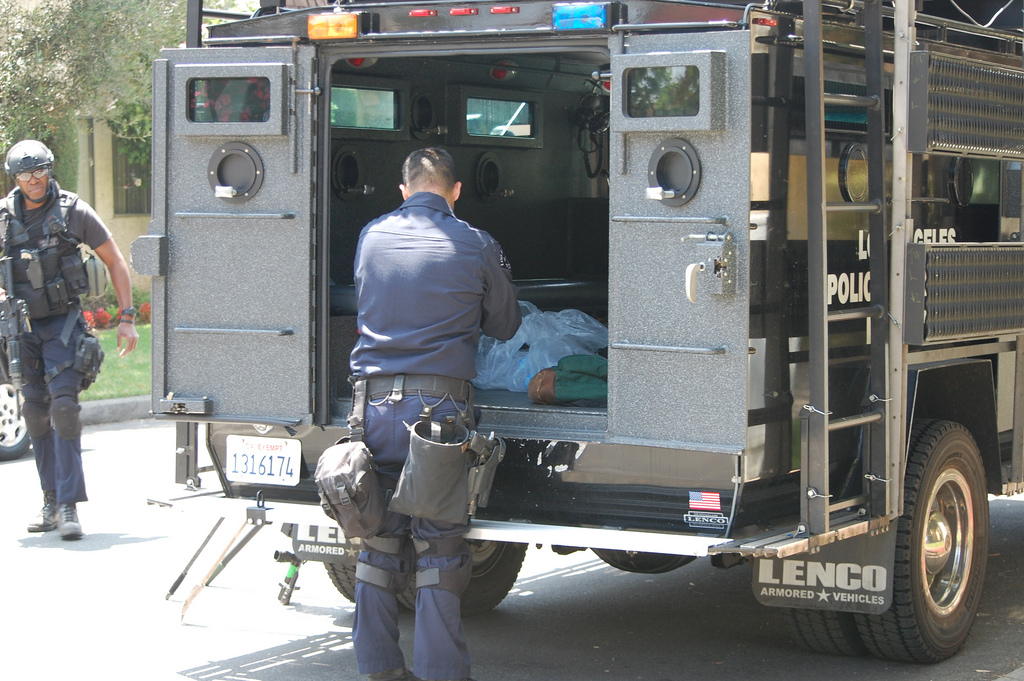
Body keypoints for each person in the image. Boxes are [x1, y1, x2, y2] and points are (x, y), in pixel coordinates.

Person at [348, 147, 521, 681]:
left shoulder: (371, 236)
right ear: (456, 191)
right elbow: (507, 325)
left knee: (378, 545)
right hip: (439, 416)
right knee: (440, 555)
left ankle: (379, 670)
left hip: (372, 410)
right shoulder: (474, 242)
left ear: (404, 190)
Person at [2, 139, 139, 541]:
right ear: (15, 178)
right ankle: (49, 500)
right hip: (22, 330)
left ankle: (68, 504)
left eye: (40, 170)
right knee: (34, 411)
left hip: (63, 323)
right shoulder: (4, 218)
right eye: (25, 174)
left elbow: (115, 261)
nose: (34, 179)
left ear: (50, 169)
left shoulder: (72, 210)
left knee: (64, 406)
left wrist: (127, 318)